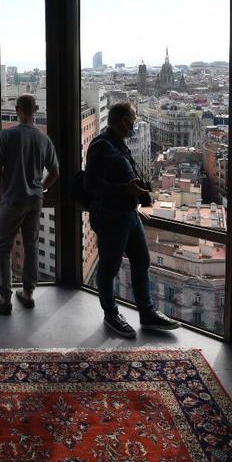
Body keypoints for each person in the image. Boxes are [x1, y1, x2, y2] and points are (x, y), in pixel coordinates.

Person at [84, 102, 181, 338]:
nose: (134, 125)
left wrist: (138, 196)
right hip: (110, 218)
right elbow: (91, 185)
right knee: (108, 268)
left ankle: (146, 314)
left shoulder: (118, 144)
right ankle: (111, 314)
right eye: (132, 120)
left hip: (129, 214)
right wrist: (123, 190)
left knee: (141, 262)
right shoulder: (101, 146)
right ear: (123, 120)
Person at [0, 94, 59, 315]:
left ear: (16, 109)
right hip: (35, 200)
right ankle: (27, 294)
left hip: (11, 199)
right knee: (31, 246)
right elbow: (54, 173)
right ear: (36, 109)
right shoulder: (44, 139)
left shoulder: (7, 135)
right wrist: (41, 188)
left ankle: (5, 299)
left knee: (2, 248)